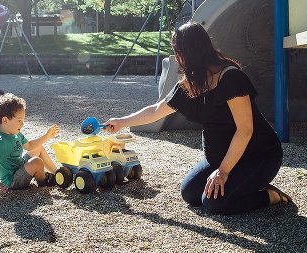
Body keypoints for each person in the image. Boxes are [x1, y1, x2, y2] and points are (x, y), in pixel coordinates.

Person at [104, 22, 290, 215]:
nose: (178, 59)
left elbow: (245, 130)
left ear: (189, 52)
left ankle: (270, 196)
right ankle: (241, 184)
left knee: (215, 203)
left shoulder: (231, 78)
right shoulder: (192, 82)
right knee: (191, 194)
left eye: (179, 52)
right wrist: (122, 122)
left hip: (258, 156)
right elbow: (157, 110)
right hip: (221, 159)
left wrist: (223, 172)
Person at [0, 93, 59, 194]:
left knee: (38, 148)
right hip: (13, 180)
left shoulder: (16, 134)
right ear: (5, 120)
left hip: (20, 167)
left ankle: (57, 173)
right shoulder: (0, 142)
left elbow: (30, 146)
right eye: (19, 121)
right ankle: (43, 181)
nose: (22, 124)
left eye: (22, 121)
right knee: (36, 162)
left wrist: (47, 136)